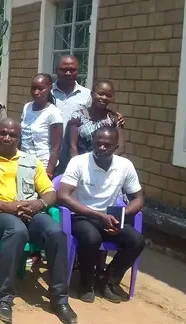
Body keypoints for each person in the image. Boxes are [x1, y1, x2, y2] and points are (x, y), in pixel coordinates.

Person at [0, 117, 77, 324]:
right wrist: (5, 206)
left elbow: (50, 192)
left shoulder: (30, 161)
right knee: (17, 231)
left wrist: (39, 205)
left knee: (56, 233)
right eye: (3, 133)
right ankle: (4, 298)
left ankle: (59, 298)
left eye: (12, 135)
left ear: (19, 137)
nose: (7, 138)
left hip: (30, 212)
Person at [58, 126, 145, 304]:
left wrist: (121, 215)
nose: (102, 148)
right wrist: (98, 215)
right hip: (80, 215)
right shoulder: (79, 162)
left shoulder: (124, 165)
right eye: (98, 144)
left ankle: (108, 280)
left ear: (115, 146)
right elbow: (63, 195)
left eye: (107, 145)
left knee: (137, 241)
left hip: (110, 217)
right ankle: (86, 284)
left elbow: (138, 198)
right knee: (91, 238)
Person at [67, 80, 125, 158]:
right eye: (100, 94)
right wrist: (78, 166)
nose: (104, 98)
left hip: (105, 164)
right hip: (82, 165)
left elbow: (121, 148)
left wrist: (103, 162)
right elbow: (72, 146)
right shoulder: (77, 116)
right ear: (92, 94)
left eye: (108, 95)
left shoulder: (114, 119)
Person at [20, 73, 63, 177]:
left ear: (49, 88)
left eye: (40, 89)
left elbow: (56, 147)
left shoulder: (53, 112)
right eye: (33, 88)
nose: (36, 92)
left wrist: (49, 171)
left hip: (42, 167)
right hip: (24, 164)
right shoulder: (27, 107)